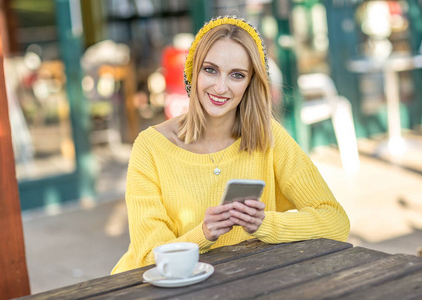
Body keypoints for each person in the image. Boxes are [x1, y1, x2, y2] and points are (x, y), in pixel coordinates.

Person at [112, 16, 350, 274]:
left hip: (242, 280)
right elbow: (149, 258)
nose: (221, 87)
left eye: (237, 75)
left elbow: (335, 222)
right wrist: (204, 233)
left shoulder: (267, 136)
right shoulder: (151, 147)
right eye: (210, 70)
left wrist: (263, 224)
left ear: (250, 83)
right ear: (193, 71)